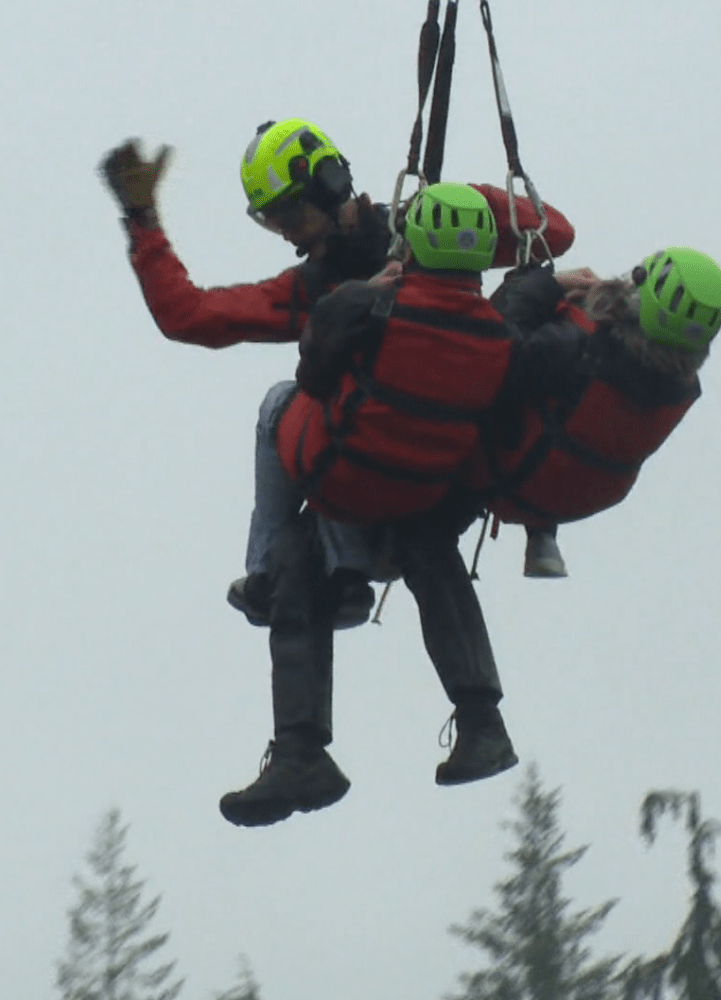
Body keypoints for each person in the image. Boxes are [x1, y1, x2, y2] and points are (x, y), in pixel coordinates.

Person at [99, 119, 575, 623]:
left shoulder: (422, 235)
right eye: (271, 220)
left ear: (327, 184)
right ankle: (291, 573)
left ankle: (286, 569)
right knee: (299, 400)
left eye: (288, 213)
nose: (284, 231)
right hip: (418, 480)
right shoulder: (315, 286)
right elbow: (190, 316)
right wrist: (142, 219)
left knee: (291, 402)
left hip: (434, 468)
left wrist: (457, 201)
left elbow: (552, 233)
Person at [217, 183, 521, 827]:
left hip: (355, 486)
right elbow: (551, 233)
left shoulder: (370, 310)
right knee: (421, 547)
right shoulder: (500, 335)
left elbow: (313, 376)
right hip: (424, 504)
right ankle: (479, 721)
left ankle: (302, 747)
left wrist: (366, 292)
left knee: (293, 542)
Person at [472, 247, 721, 542]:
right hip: (571, 498)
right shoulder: (681, 390)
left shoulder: (575, 350)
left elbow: (494, 348)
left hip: (506, 476)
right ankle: (541, 534)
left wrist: (545, 285)